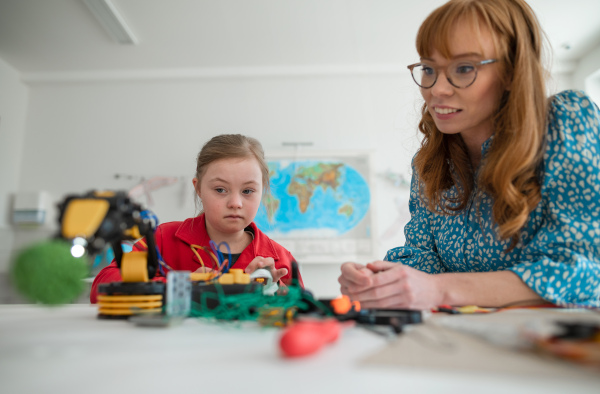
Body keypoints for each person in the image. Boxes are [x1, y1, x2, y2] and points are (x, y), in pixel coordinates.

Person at [338, 0, 600, 310]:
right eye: (428, 69)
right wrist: (382, 281)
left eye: (463, 69)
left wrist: (441, 290)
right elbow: (423, 258)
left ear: (512, 71)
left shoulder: (566, 123)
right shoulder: (429, 166)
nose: (437, 89)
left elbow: (583, 270)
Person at [91, 134, 303, 303]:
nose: (236, 203)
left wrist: (277, 294)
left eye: (248, 191)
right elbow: (102, 288)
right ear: (199, 188)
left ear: (262, 191)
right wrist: (185, 285)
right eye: (220, 189)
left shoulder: (280, 261)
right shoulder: (162, 238)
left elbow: (305, 313)